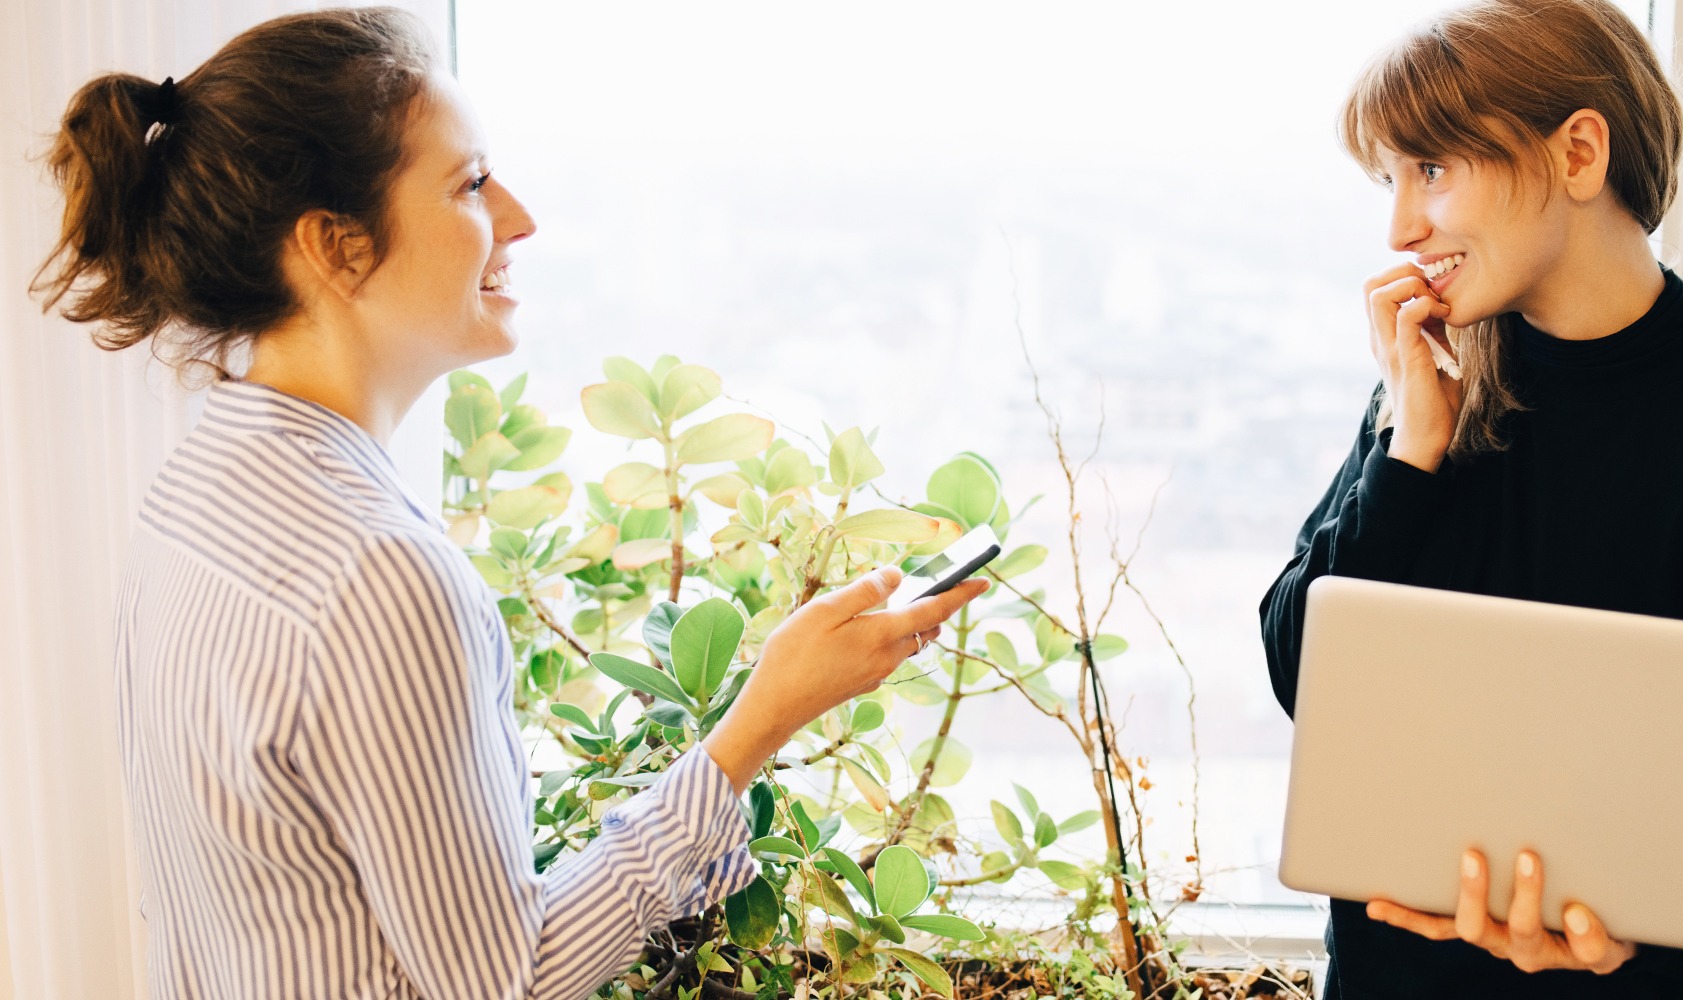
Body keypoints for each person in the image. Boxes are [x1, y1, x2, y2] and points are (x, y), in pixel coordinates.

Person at [34, 8, 985, 999]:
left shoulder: (196, 492)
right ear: (335, 246)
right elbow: (508, 981)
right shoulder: (379, 576)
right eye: (471, 183)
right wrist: (764, 713)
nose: (520, 218)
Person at [1257, 1, 1683, 997]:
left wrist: (1629, 931)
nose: (1400, 227)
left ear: (1577, 152)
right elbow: (1303, 680)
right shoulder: (1433, 385)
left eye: (1430, 169)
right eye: (1389, 179)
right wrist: (1405, 451)